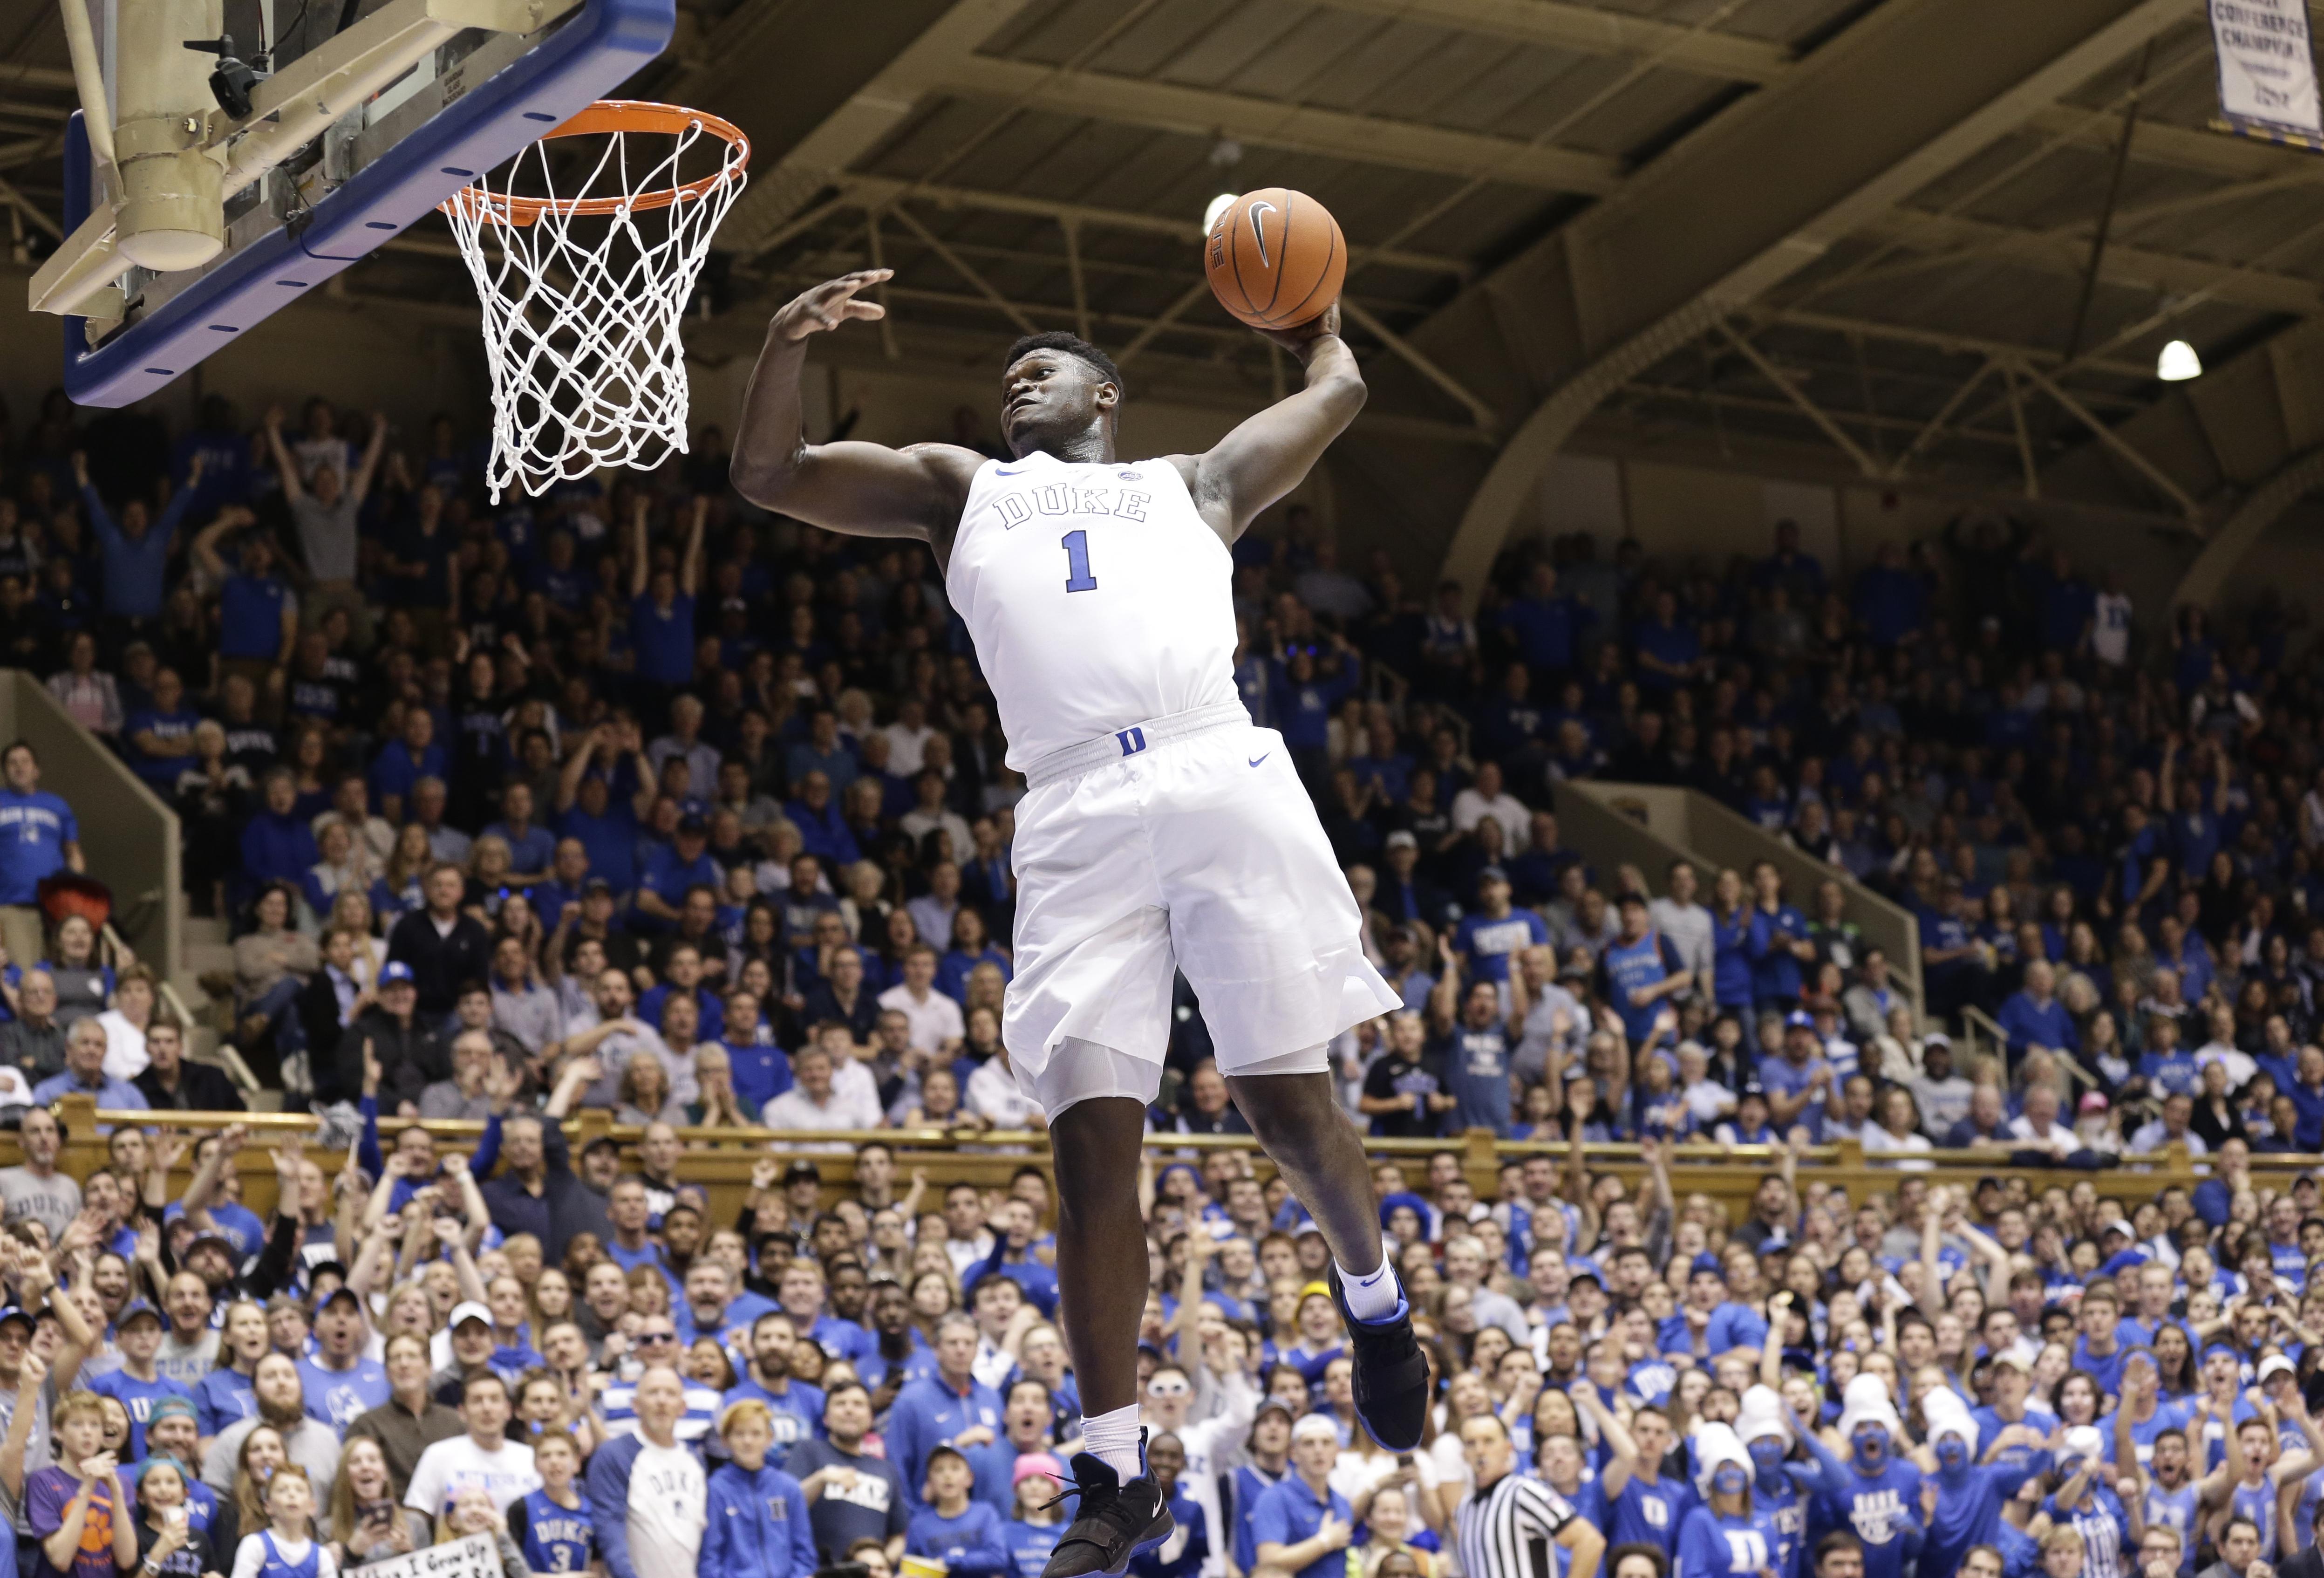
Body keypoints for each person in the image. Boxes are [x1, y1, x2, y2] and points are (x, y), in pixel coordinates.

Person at [733, 272, 1424, 1578]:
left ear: (1106, 395)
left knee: (1285, 1109)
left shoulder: (1195, 482)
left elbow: (1337, 393)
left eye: (1042, 367)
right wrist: (781, 344)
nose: (1015, 381)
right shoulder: (958, 485)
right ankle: (1111, 1468)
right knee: (1091, 1147)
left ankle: (1375, 1305)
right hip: (1069, 810)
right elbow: (770, 472)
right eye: (1006, 375)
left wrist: (1316, 319)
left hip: (1215, 771)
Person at [585, 1366, 706, 1578]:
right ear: (636, 1405)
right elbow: (610, 1531)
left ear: (683, 1407)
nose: (662, 1401)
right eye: (653, 1392)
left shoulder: (695, 1459)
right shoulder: (614, 1455)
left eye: (670, 1393)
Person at [1452, 1414, 1602, 1578]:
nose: (1480, 1451)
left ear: (1508, 1448)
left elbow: (1590, 1541)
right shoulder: (1464, 1508)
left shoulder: (1523, 1492)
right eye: (1471, 1443)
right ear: (1464, 1454)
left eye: (1488, 1441)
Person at [0, 742, 83, 975]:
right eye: (12, 763)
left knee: (63, 975)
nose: (19, 768)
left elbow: (73, 853)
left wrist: (79, 894)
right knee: (29, 977)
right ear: (5, 771)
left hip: (58, 905)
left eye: (25, 762)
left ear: (36, 770)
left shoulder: (57, 805)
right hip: (13, 905)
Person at [226, 1465, 336, 1578]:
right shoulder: (255, 1545)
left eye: (300, 1490)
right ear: (268, 1506)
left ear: (312, 1507)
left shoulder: (322, 1556)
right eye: (282, 1490)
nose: (292, 1495)